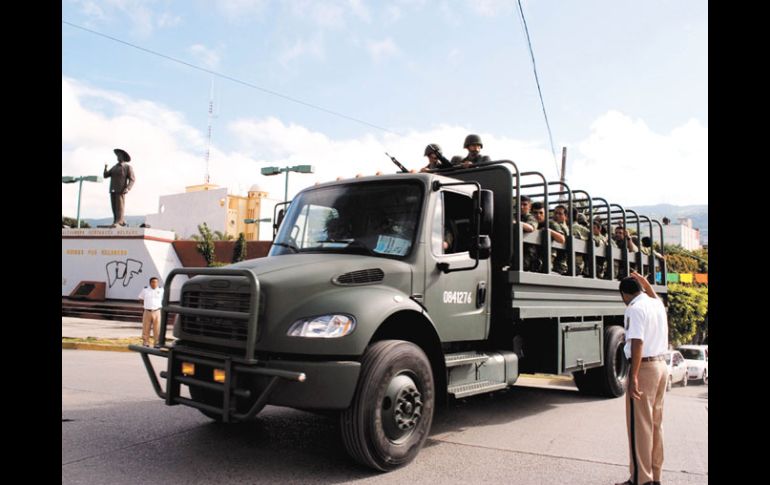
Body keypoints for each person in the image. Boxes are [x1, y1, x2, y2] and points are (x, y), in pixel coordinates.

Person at [616, 271, 668, 485]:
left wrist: (634, 375)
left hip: (645, 368)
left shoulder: (635, 309)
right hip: (661, 367)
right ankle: (655, 477)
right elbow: (653, 295)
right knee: (656, 425)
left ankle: (640, 480)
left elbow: (637, 342)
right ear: (641, 289)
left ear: (624, 294)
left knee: (640, 427)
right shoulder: (656, 304)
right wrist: (645, 283)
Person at [104, 148, 136, 227]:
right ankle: (115, 220)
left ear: (123, 157)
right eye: (117, 155)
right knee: (114, 206)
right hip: (113, 189)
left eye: (119, 155)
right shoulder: (115, 167)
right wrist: (105, 168)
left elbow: (132, 179)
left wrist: (128, 188)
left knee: (120, 206)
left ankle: (120, 221)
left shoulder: (127, 167)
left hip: (121, 190)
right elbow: (106, 175)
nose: (117, 157)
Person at [138, 277, 164, 348]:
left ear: (158, 283)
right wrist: (145, 306)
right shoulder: (145, 289)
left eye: (156, 282)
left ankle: (157, 343)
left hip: (157, 311)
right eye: (153, 282)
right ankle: (146, 342)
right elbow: (140, 298)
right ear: (150, 283)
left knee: (157, 328)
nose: (154, 283)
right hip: (147, 311)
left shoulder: (161, 290)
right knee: (146, 328)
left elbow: (164, 299)